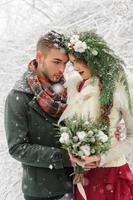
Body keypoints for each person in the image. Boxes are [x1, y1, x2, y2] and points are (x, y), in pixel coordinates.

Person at [60, 31, 133, 200]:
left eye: (78, 61)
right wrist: (72, 154)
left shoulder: (121, 85)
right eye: (72, 63)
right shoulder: (74, 87)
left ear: (93, 59)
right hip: (83, 178)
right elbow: (70, 130)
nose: (75, 68)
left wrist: (101, 157)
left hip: (111, 175)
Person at [4, 31, 74, 200]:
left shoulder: (70, 91)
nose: (61, 69)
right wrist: (64, 157)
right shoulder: (18, 96)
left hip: (75, 186)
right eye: (56, 62)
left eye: (65, 64)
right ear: (39, 56)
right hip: (41, 192)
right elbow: (17, 148)